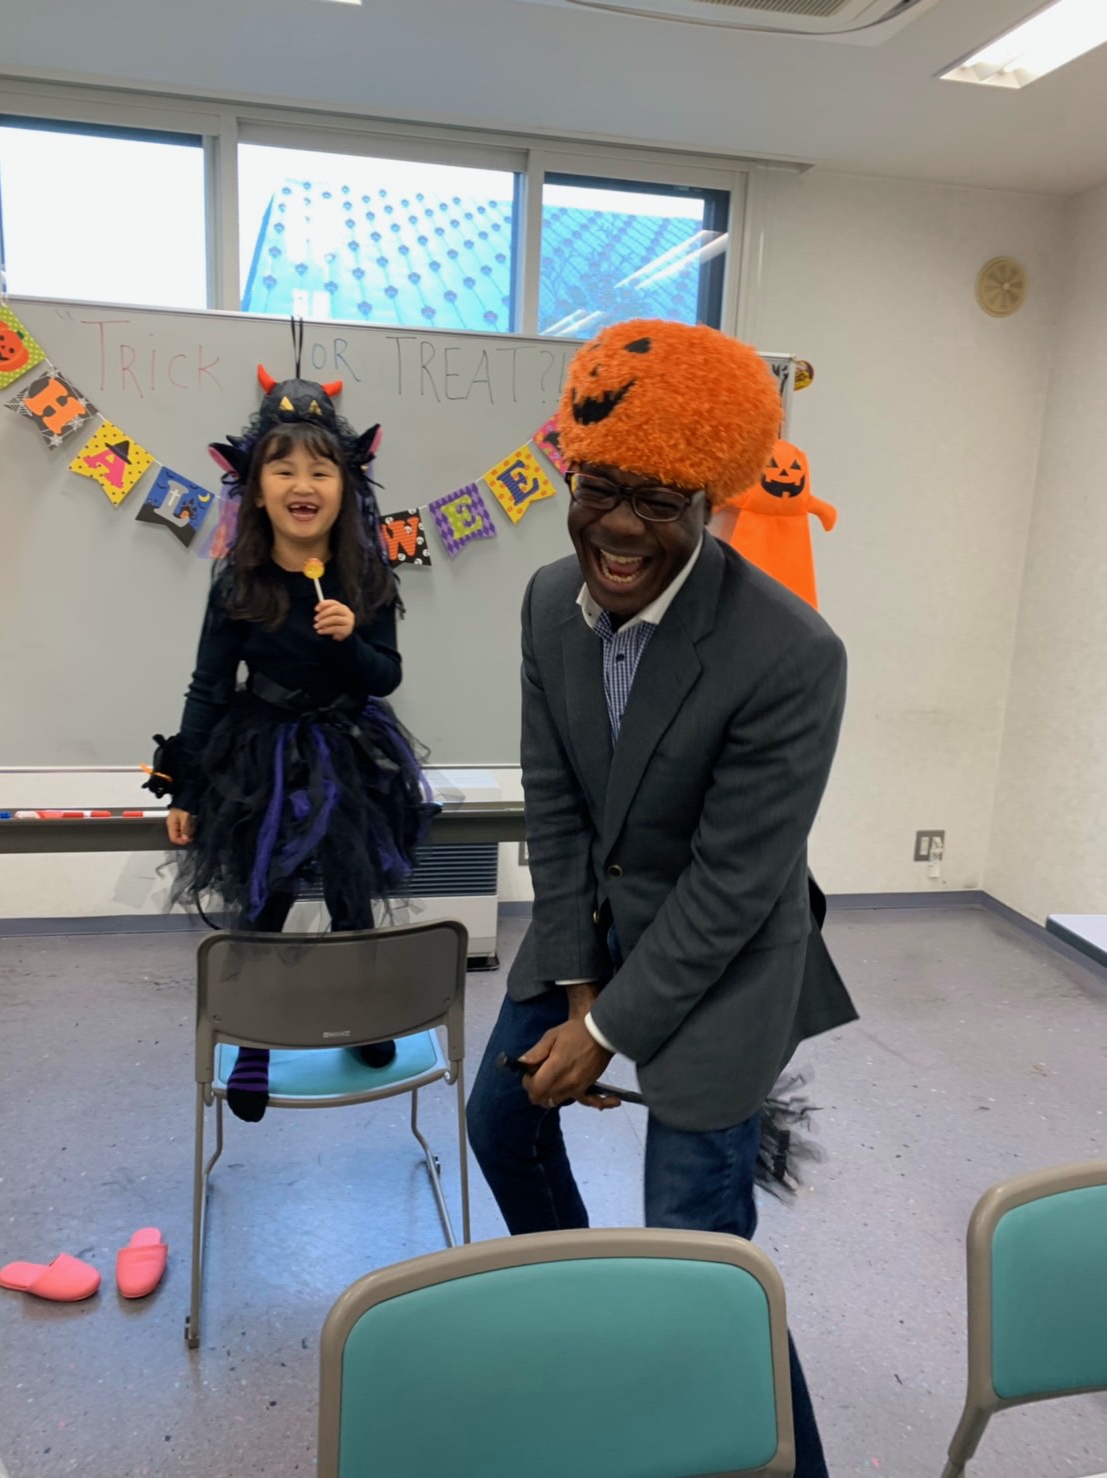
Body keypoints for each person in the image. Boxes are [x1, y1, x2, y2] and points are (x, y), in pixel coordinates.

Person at [467, 319, 855, 1477]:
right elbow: (554, 803)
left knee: (697, 1241)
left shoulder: (791, 652)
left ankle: (784, 1454)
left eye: (657, 499)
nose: (621, 525)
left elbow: (735, 883)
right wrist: (579, 990)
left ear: (705, 498)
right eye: (599, 488)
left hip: (725, 955)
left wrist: (607, 1033)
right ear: (570, 476)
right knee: (500, 1119)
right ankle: (602, 1320)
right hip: (591, 923)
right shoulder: (547, 601)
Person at [146, 360, 435, 1123]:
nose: (302, 484)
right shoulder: (236, 581)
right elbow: (208, 688)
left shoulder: (366, 577)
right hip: (262, 754)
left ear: (347, 486)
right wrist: (183, 786)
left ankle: (366, 1018)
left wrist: (350, 638)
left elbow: (386, 675)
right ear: (254, 487)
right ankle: (253, 1039)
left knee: (351, 899)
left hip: (348, 749)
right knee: (264, 899)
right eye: (283, 468)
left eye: (320, 469)